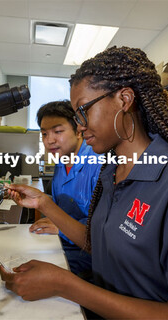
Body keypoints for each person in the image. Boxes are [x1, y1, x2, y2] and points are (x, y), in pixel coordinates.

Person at [1, 47, 168, 319]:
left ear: (124, 99)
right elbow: (101, 244)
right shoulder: (112, 173)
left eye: (82, 111)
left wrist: (66, 284)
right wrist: (45, 203)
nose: (79, 126)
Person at [31, 100, 101, 277]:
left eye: (58, 131)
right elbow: (62, 206)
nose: (50, 140)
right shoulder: (61, 163)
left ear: (78, 131)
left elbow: (104, 228)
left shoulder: (98, 163)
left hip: (92, 255)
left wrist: (61, 227)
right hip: (64, 243)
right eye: (44, 134)